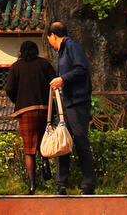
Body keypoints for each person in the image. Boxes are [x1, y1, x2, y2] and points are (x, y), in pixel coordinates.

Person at [45, 20, 96, 195]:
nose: (49, 42)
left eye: (49, 38)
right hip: (65, 102)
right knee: (62, 140)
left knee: (81, 141)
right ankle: (61, 184)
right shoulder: (61, 52)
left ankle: (88, 185)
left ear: (53, 36)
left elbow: (82, 69)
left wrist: (63, 79)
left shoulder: (73, 47)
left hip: (78, 101)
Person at [4, 39, 56, 194]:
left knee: (29, 149)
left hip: (26, 110)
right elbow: (54, 83)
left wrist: (18, 99)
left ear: (21, 52)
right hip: (45, 108)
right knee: (44, 141)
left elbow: (9, 88)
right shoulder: (44, 64)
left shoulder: (16, 67)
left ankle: (33, 184)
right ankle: (46, 162)